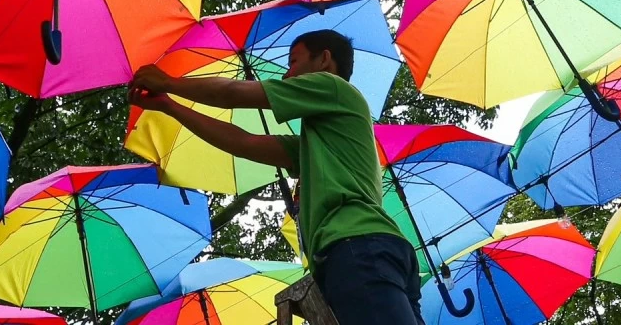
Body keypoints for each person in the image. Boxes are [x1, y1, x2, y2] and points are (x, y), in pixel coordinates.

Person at [129, 29, 424, 325]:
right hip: (371, 249)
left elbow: (230, 95)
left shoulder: (332, 87)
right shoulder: (320, 140)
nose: (286, 74)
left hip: (356, 247)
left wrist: (169, 82)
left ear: (323, 60)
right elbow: (242, 143)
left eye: (293, 62)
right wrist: (169, 105)